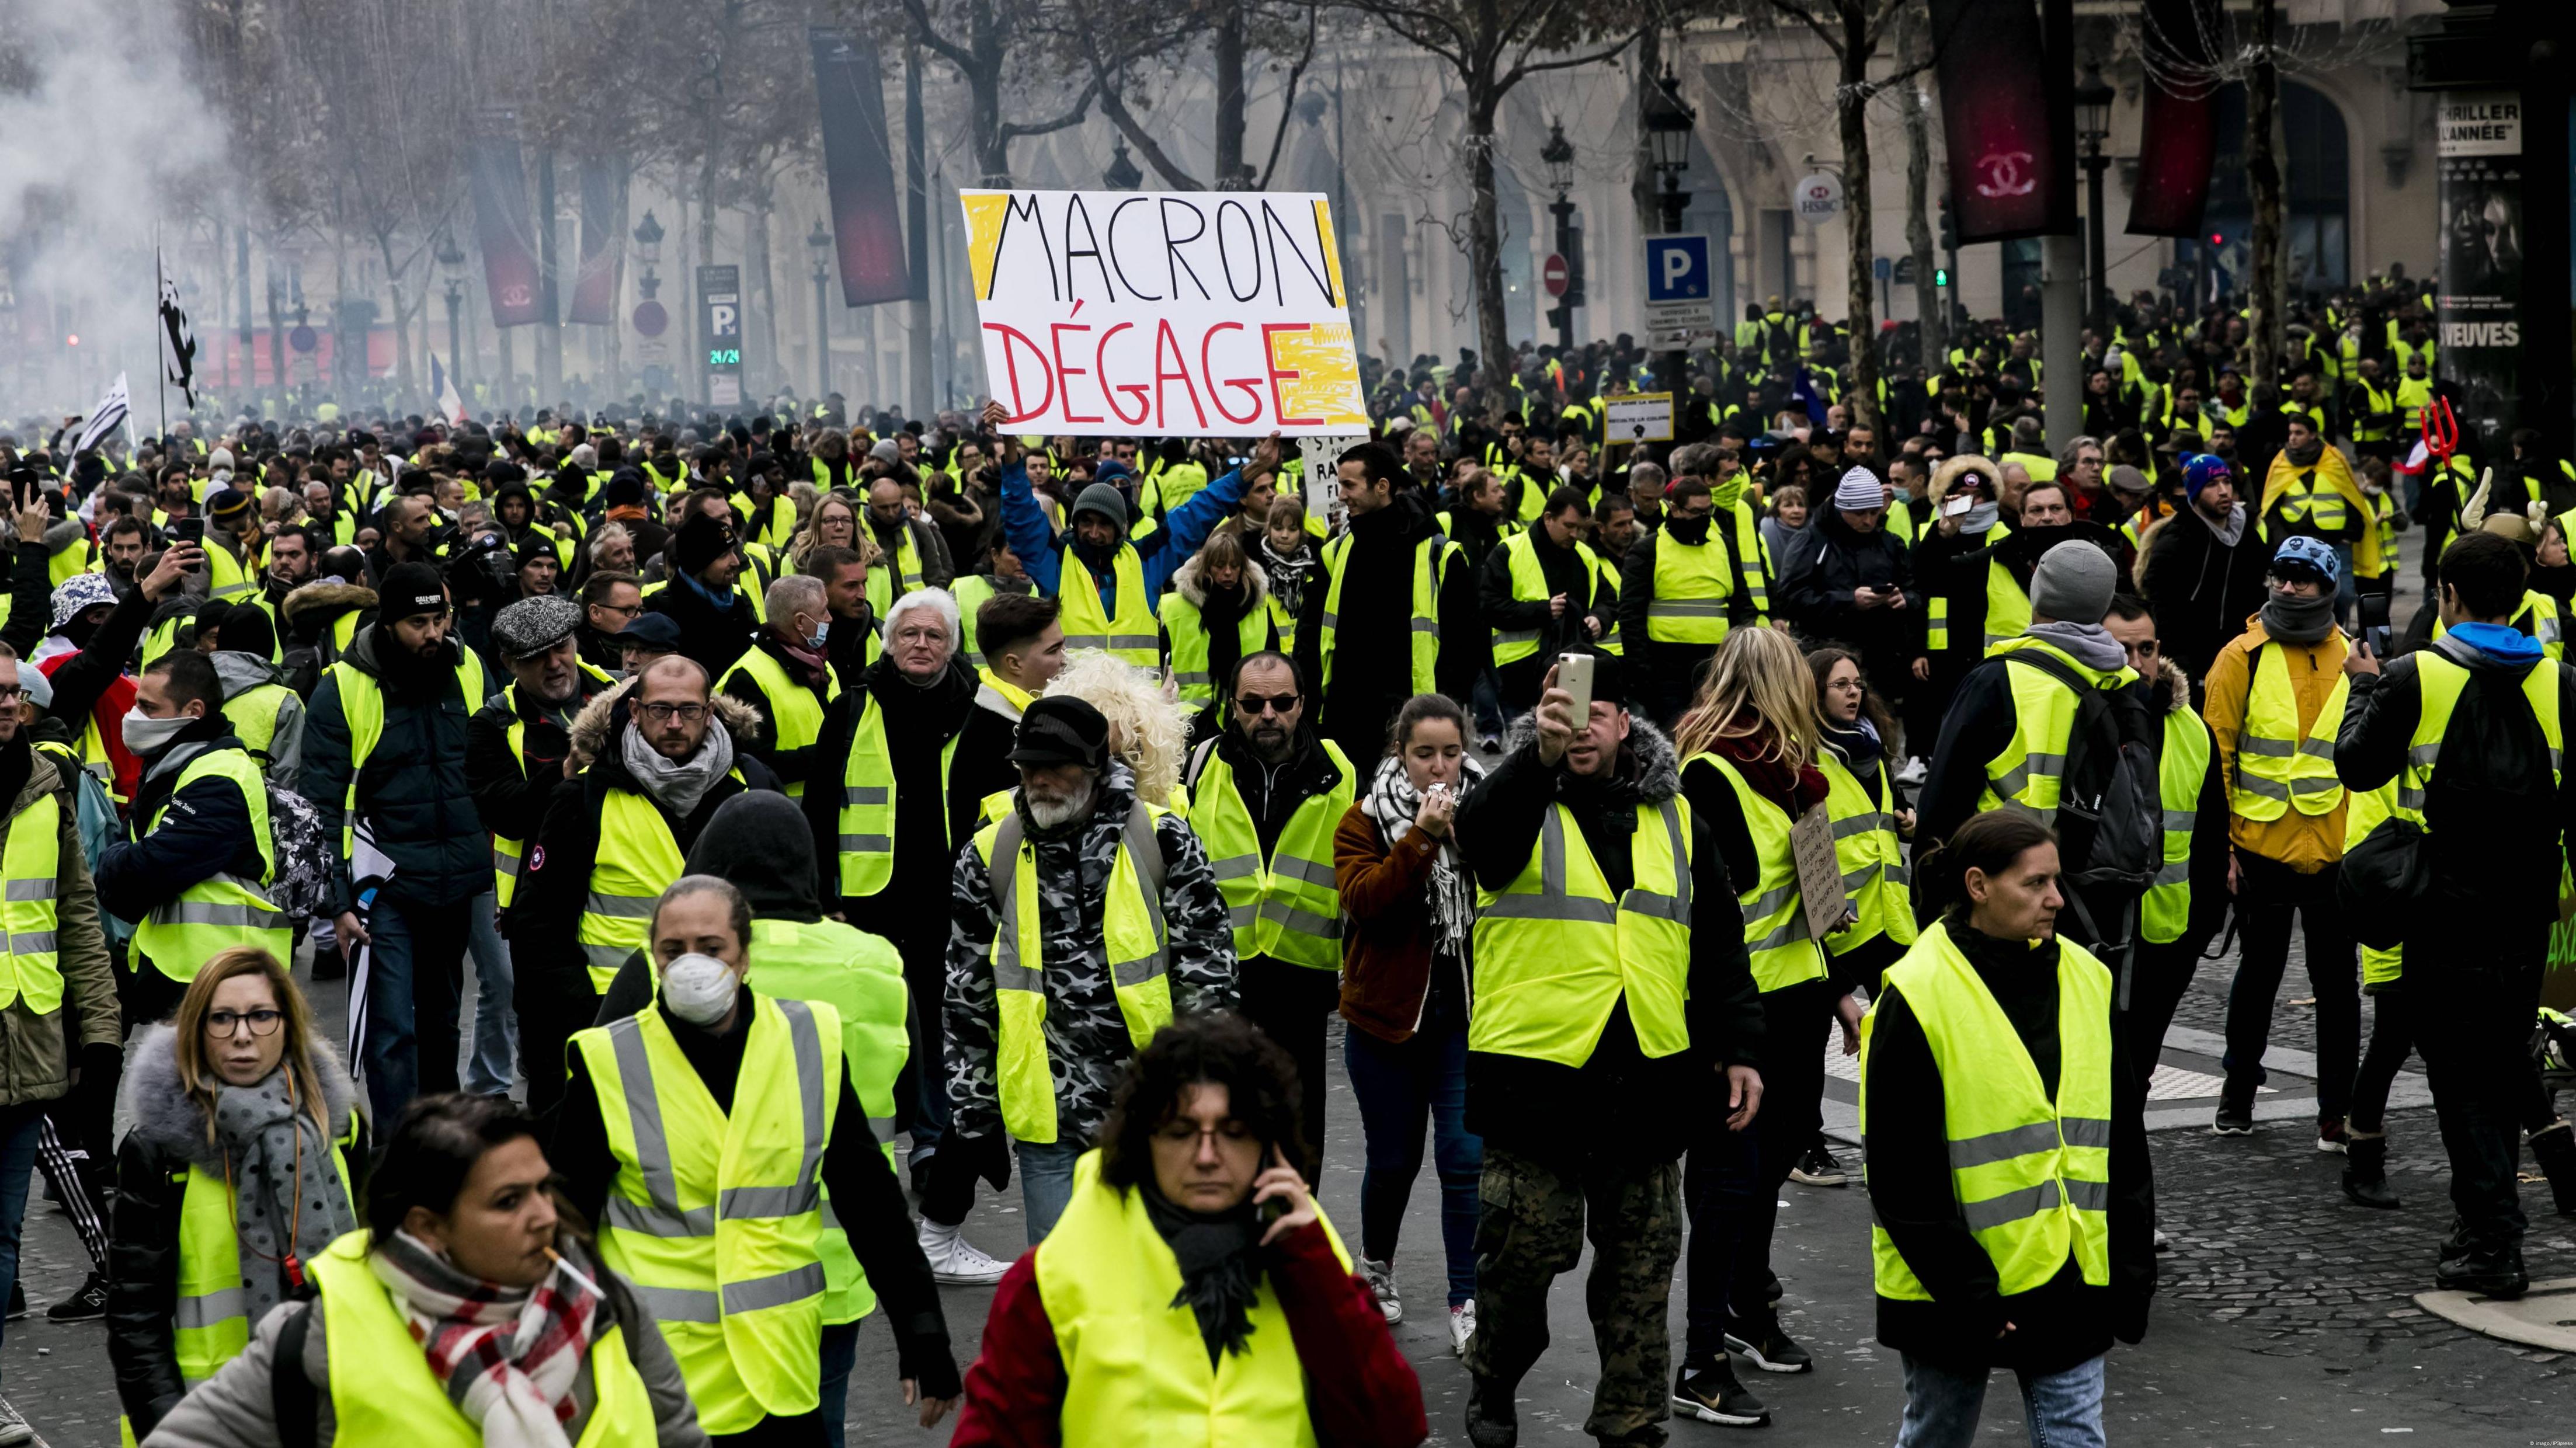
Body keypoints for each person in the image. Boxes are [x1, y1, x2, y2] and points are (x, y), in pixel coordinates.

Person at [1452, 646, 1763, 1448]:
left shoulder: (1675, 813)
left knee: (1640, 1270)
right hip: (1537, 1080)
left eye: (1593, 711)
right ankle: (1495, 1378)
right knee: (1520, 1261)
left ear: (1625, 721)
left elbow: (1718, 940)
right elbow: (1479, 847)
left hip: (1648, 1081)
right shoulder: (1515, 793)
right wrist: (1536, 758)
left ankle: (1630, 1419)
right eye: (1561, 709)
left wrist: (1736, 1046)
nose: (1579, 726)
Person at [555, 876, 960, 1442]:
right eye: (672, 950)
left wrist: (922, 1332)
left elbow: (869, 1199)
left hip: (780, 1375)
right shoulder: (608, 1061)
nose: (690, 963)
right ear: (653, 958)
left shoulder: (809, 1039)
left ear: (745, 956)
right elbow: (561, 1226)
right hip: (660, 1383)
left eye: (710, 947)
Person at [945, 1010, 1427, 1448]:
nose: (1206, 1156)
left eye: (1234, 1133)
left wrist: (1309, 1265)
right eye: (1180, 1132)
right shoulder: (1054, 1276)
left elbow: (1392, 1428)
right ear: (1142, 1141)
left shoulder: (1314, 1258)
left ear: (1269, 1144)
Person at [147, 1091, 710, 1448]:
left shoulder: (604, 1301)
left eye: (544, 1188)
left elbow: (680, 1438)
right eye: (508, 1202)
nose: (545, 1217)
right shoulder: (321, 1334)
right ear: (428, 1228)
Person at [1858, 811, 2154, 1448]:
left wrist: (2132, 1267)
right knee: (1938, 1432)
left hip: (2068, 1274)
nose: (2056, 898)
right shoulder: (1917, 992)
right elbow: (1901, 1172)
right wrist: (1973, 1297)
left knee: (2075, 1436)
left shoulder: (2086, 976)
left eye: (2056, 880)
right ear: (1977, 884)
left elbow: (2123, 1141)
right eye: (2035, 883)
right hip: (1953, 1289)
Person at [2337, 530, 2576, 1296]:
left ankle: (2491, 1240)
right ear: (2520, 596)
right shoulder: (2560, 683)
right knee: (2501, 1055)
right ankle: (2487, 1222)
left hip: (2442, 908)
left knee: (2462, 1079)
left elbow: (2355, 764)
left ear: (2445, 595)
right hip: (2527, 908)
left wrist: (2360, 688)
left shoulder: (2414, 676)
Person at [944, 695, 1239, 1244]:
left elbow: (1208, 977)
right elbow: (967, 994)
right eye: (1029, 766)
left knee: (1159, 1286)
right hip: (1048, 1118)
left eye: (1055, 766)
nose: (1039, 779)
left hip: (1154, 1109)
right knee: (1065, 1295)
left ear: (1096, 767)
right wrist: (974, 1113)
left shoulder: (1162, 839)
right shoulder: (988, 854)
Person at [1671, 628, 1851, 1412]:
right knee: (1726, 1181)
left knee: (1767, 1164)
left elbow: (1801, 900)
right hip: (1738, 1009)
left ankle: (1745, 1308)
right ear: (1776, 687)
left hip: (1796, 993)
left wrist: (1836, 985)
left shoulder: (1790, 777)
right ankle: (1701, 1358)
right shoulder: (1713, 775)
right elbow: (1721, 899)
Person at [506, 657, 781, 1120]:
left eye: (689, 710)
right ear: (634, 712)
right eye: (659, 710)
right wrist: (572, 1030)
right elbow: (539, 931)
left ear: (710, 713)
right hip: (613, 1017)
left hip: (731, 1014)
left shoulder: (752, 787)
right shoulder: (584, 798)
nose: (675, 723)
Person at [109, 948, 361, 1442]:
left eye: (261, 1016)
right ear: (197, 1030)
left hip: (333, 1417)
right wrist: (170, 1430)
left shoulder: (342, 1132)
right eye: (221, 1019)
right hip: (204, 1424)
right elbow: (135, 1321)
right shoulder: (159, 1151)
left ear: (287, 1023)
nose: (242, 1036)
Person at [802, 590, 983, 1234]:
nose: (921, 645)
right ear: (889, 640)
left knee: (937, 1022)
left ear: (952, 644)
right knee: (873, 1024)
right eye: (909, 633)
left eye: (934, 635)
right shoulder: (852, 706)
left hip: (951, 895)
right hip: (867, 900)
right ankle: (869, 1144)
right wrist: (823, 899)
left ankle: (931, 1145)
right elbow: (821, 807)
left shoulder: (978, 709)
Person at [301, 563, 504, 1120]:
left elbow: (495, 771)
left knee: (442, 1023)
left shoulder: (469, 670)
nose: (434, 633)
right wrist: (337, 904)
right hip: (382, 891)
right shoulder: (341, 689)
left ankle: (444, 1139)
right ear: (388, 623)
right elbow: (321, 801)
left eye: (440, 619)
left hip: (456, 880)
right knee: (393, 1028)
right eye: (419, 622)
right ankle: (397, 1154)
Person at [1333, 692, 1485, 1353]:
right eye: (1425, 753)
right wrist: (1421, 837)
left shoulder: (1484, 811)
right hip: (1385, 1023)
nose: (1440, 767)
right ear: (1402, 753)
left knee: (1463, 1157)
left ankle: (1465, 1294)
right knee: (1394, 1160)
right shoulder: (1364, 819)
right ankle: (1376, 1265)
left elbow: (1513, 883)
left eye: (1451, 752)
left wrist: (1466, 839)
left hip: (1464, 1021)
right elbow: (1366, 902)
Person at [2200, 536, 2358, 1143]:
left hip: (2335, 851)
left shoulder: (2352, 655)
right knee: (2258, 975)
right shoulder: (2240, 656)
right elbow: (2216, 755)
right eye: (2280, 577)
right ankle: (2237, 1093)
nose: (2287, 588)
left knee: (2337, 986)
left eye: (2302, 579)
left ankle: (2335, 1112)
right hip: (2259, 849)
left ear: (2327, 587)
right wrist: (2224, 851)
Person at [0, 638, 119, 1443]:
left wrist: (102, 1028)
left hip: (31, 1040)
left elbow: (76, 914)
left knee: (2, 1240)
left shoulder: (49, 784)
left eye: (13, 691)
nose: (9, 704)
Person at [1180, 651, 1355, 1178]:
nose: (1268, 715)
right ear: (1231, 706)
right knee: (1222, 1118)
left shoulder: (1338, 770)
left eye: (1282, 702)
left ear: (1302, 704)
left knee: (1297, 1123)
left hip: (1302, 971)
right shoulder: (1201, 764)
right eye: (1252, 703)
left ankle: (1296, 1240)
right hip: (1220, 971)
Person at [985, 403, 1261, 673]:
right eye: (1087, 523)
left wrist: (1251, 472)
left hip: (1138, 712)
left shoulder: (1146, 561)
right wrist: (1010, 441)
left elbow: (1196, 514)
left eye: (1104, 525)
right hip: (1076, 709)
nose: (1094, 533)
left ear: (1122, 529)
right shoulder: (1055, 563)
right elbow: (1021, 515)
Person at [96, 649, 290, 1026]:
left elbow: (151, 867)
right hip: (187, 972)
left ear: (194, 711)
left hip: (221, 974)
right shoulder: (174, 768)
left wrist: (114, 863)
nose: (134, 717)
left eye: (149, 708)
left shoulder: (219, 775)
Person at [1296, 442, 1476, 764]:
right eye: (1340, 484)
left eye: (1349, 485)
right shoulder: (1335, 554)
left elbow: (1464, 647)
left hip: (1413, 723)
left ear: (1382, 487)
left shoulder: (1440, 556)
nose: (1341, 495)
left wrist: (1445, 714)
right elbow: (1310, 640)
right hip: (1343, 721)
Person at [1619, 478, 1757, 727]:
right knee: (1675, 735)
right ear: (1675, 509)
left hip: (1717, 663)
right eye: (1696, 512)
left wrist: (1742, 658)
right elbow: (1631, 616)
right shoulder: (1648, 550)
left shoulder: (1723, 545)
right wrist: (1641, 674)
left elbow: (1742, 605)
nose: (1703, 517)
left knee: (1718, 733)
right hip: (1666, 666)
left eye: (1708, 511)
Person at [1784, 467, 1920, 702]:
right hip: (1825, 657)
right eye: (1859, 513)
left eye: (1874, 512)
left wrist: (1904, 599)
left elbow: (1916, 591)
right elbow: (1792, 598)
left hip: (1881, 659)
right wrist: (1849, 601)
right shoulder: (1811, 541)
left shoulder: (1890, 543)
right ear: (1841, 509)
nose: (1868, 520)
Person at [2140, 454, 2275, 690]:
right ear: (2194, 493)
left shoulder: (2246, 534)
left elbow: (2263, 590)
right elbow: (2162, 610)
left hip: (2242, 655)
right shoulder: (2176, 542)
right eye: (2212, 485)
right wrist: (2181, 667)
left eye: (2227, 482)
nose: (2223, 491)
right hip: (2194, 664)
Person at [1480, 488, 1619, 716]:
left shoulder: (1585, 555)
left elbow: (1608, 599)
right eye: (1569, 526)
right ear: (1548, 518)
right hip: (1521, 672)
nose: (1575, 534)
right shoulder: (1509, 551)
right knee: (1526, 747)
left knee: (1570, 742)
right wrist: (1544, 610)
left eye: (1580, 528)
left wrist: (1600, 620)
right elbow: (1490, 607)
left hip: (1575, 667)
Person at [716, 574, 840, 799]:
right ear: (800, 622)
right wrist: (827, 754)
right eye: (823, 612)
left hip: (827, 808)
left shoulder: (821, 665)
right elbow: (755, 763)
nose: (830, 619)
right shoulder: (748, 678)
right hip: (785, 812)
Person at [955, 593, 1065, 813]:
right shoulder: (993, 739)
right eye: (1053, 651)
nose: (1065, 659)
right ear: (1014, 664)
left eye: (1063, 646)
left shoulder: (1025, 719)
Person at [1160, 530, 1277, 710]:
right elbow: (1160, 666)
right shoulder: (1174, 607)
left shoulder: (1259, 606)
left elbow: (1275, 660)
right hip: (1190, 717)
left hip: (1248, 714)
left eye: (1235, 566)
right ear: (1207, 567)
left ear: (1243, 568)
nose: (1228, 572)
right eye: (1220, 566)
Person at [641, 509, 758, 678]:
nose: (736, 561)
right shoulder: (660, 609)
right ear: (698, 564)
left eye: (734, 552)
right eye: (724, 555)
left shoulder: (738, 605)